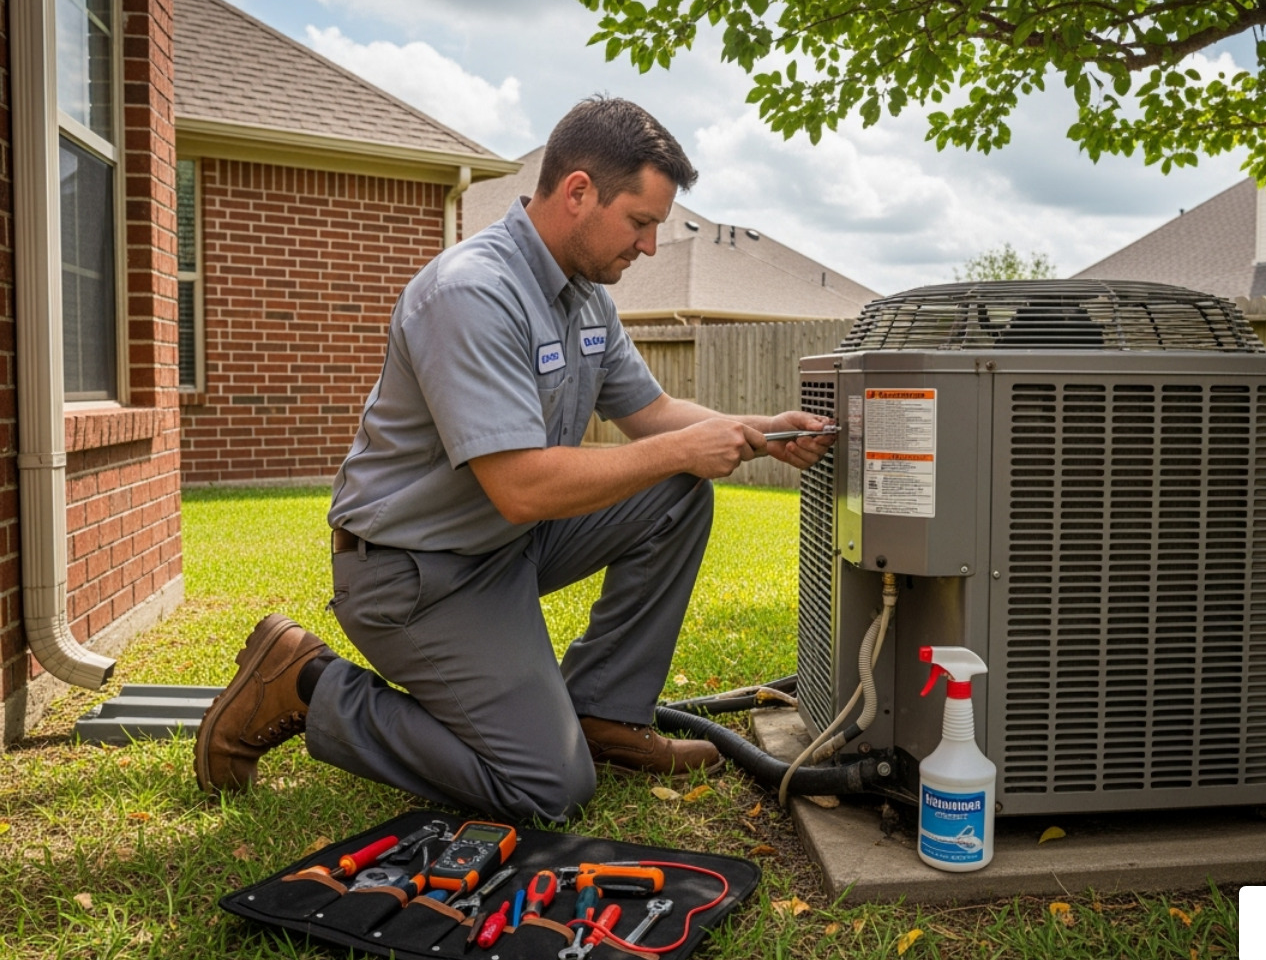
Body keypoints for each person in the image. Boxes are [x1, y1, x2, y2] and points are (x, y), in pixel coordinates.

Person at [193, 97, 835, 822]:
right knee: (547, 789)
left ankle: (602, 714)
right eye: (641, 222)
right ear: (578, 192)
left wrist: (758, 431)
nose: (650, 246)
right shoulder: (472, 293)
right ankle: (305, 685)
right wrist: (682, 447)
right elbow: (522, 487)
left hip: (501, 549)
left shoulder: (586, 299)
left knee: (677, 491)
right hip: (414, 573)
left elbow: (651, 414)